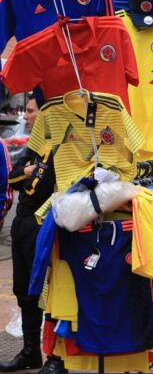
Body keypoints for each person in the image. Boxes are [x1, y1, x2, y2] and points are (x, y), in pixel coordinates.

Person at [1, 98, 62, 373]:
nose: (26, 116)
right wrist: (25, 173)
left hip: (41, 223)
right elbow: (11, 177)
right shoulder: (34, 148)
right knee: (23, 291)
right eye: (25, 110)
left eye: (30, 110)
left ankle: (56, 356)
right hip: (22, 224)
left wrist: (25, 174)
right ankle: (29, 352)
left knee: (47, 293)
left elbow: (35, 187)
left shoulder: (55, 148)